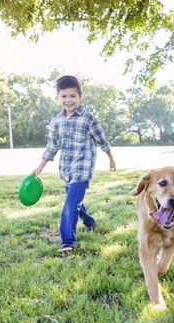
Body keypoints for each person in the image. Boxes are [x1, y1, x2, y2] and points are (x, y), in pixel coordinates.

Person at [32, 75, 116, 254]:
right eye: (63, 96)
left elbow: (102, 140)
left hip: (82, 169)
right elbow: (52, 146)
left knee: (70, 203)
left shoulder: (88, 118)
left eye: (72, 96)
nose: (68, 100)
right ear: (58, 97)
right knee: (75, 202)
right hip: (66, 170)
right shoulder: (56, 121)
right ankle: (89, 222)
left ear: (80, 96)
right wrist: (40, 167)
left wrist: (111, 159)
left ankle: (67, 241)